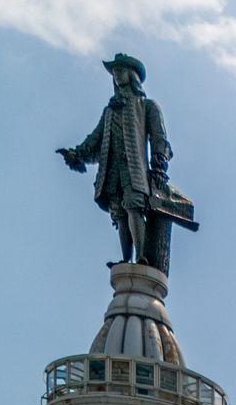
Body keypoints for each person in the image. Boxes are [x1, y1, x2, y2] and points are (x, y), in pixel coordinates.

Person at [58, 53, 174, 270]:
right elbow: (96, 139)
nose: (116, 74)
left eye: (120, 70)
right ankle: (125, 258)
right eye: (114, 72)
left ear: (132, 75)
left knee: (134, 206)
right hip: (113, 169)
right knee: (119, 213)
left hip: (134, 168)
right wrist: (77, 154)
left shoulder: (147, 106)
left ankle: (141, 256)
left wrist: (159, 164)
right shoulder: (110, 110)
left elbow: (159, 138)